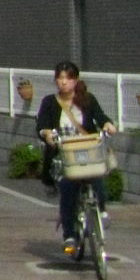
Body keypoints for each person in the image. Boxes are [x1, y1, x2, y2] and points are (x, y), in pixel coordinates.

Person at [36, 60, 111, 256]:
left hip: (87, 152)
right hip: (64, 155)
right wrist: (47, 134)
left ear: (75, 80)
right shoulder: (50, 102)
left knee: (97, 177)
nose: (63, 83)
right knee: (68, 188)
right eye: (60, 78)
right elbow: (41, 125)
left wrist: (108, 125)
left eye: (68, 78)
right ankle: (69, 235)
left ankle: (101, 210)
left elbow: (100, 116)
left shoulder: (87, 99)